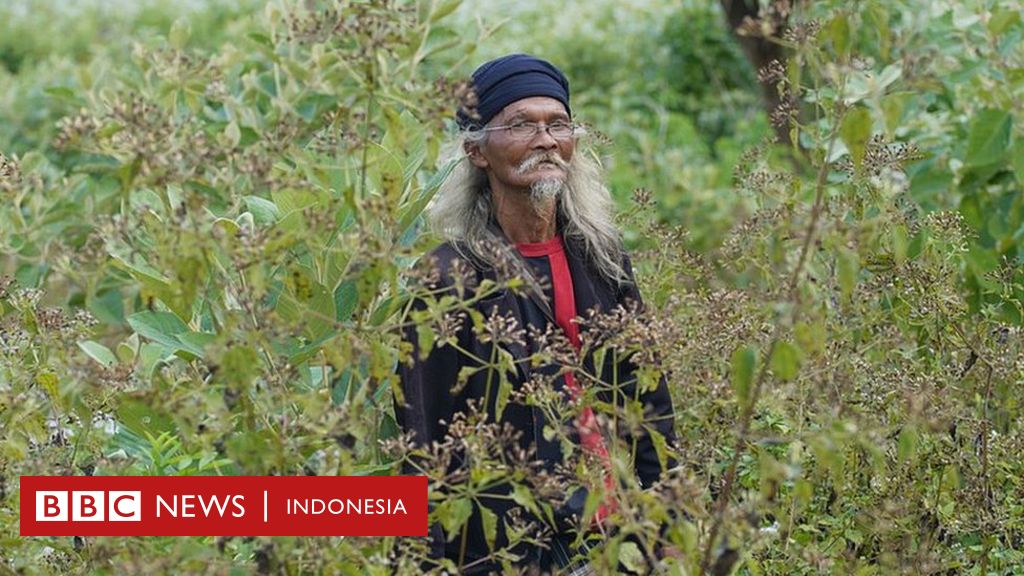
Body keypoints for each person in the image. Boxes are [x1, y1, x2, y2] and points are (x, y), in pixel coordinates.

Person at [394, 53, 677, 574]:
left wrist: (671, 522)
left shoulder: (602, 257)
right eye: (521, 124)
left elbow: (649, 399)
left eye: (558, 124)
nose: (546, 140)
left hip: (613, 535)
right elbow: (423, 435)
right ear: (477, 150)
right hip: (507, 547)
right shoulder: (447, 278)